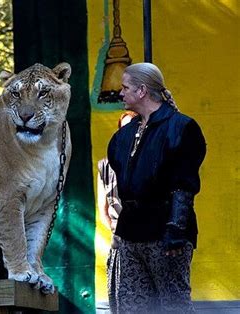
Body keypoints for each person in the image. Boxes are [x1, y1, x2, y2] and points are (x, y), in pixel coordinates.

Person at [107, 63, 206, 313]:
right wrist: (120, 235)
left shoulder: (182, 128)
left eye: (125, 87)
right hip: (131, 233)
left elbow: (184, 186)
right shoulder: (122, 136)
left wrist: (176, 229)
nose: (120, 93)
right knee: (133, 306)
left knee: (173, 305)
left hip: (165, 233)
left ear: (142, 90)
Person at [97, 111, 137, 313]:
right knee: (119, 292)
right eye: (124, 129)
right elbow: (103, 209)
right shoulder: (105, 166)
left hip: (142, 234)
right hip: (119, 236)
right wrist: (115, 229)